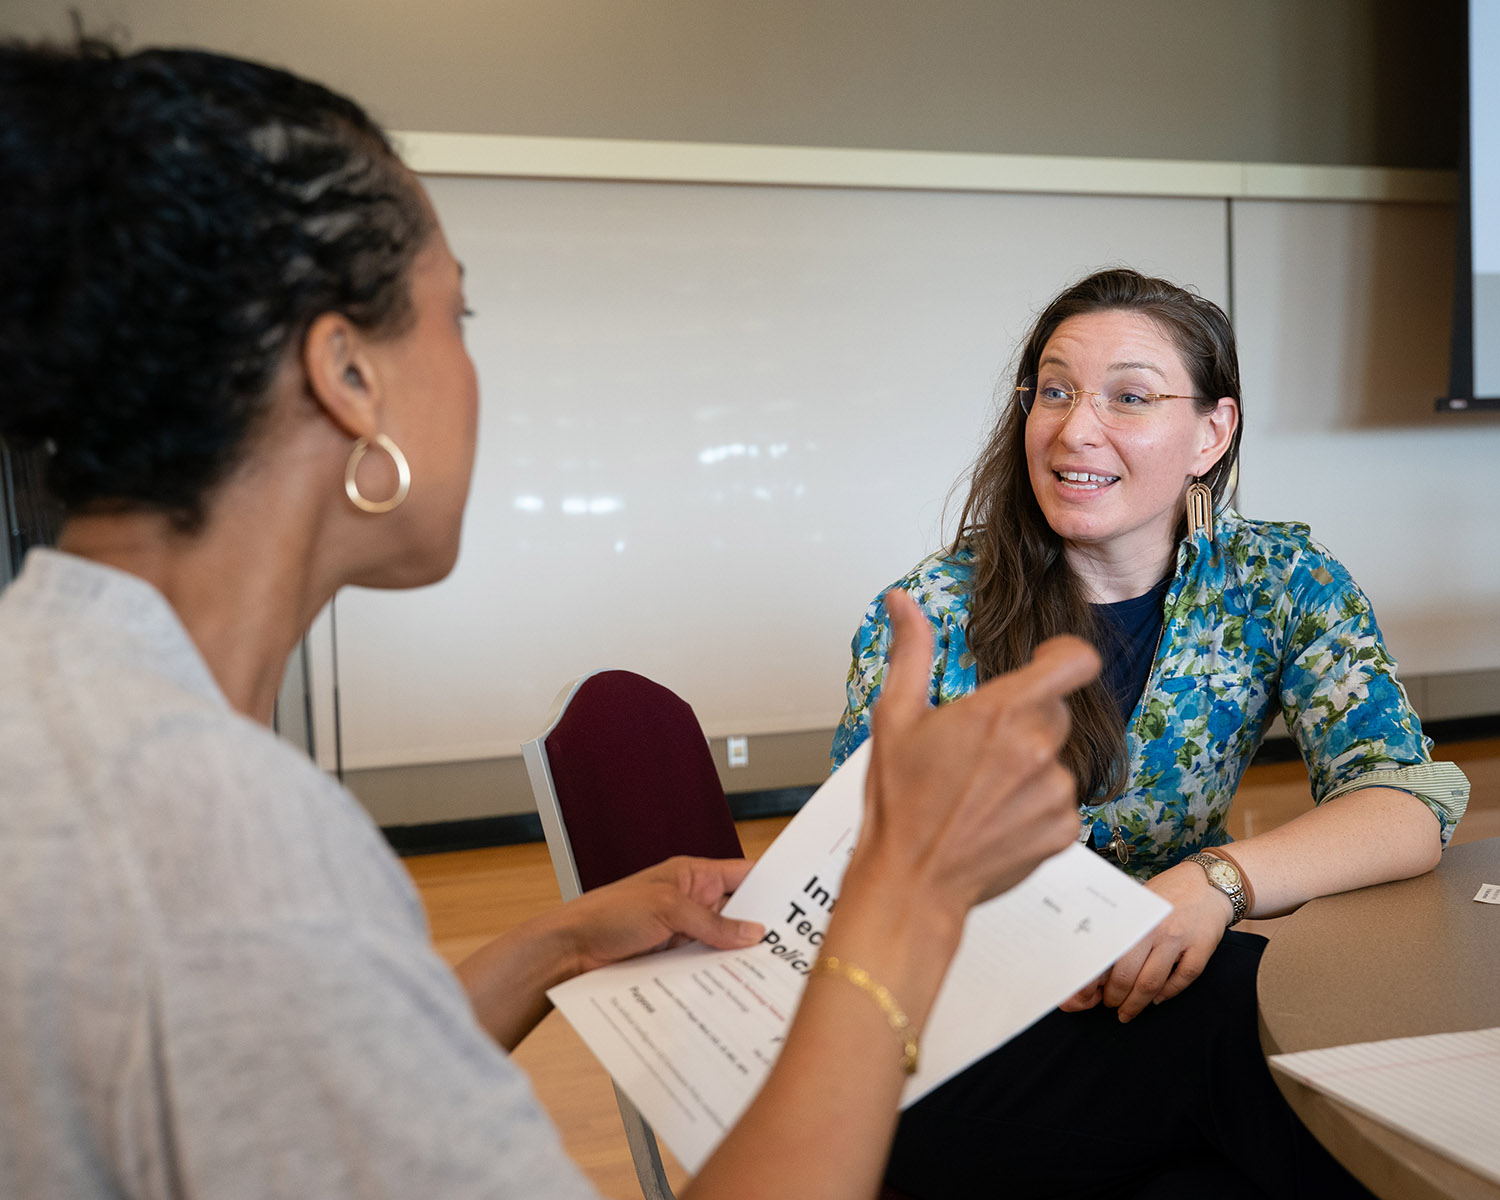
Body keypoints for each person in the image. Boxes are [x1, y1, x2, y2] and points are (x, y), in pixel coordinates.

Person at [0, 38, 1105, 1200]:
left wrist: (558, 942)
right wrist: (906, 895)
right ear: (348, 376)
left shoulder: (65, 697)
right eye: (457, 313)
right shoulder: (222, 832)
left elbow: (304, 1084)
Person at [832, 267, 1471, 1198]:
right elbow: (856, 883)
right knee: (1250, 1030)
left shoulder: (1276, 579)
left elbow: (1405, 801)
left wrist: (1214, 882)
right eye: (1055, 391)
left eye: (1129, 397)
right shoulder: (929, 615)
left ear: (1213, 432)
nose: (1074, 430)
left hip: (1158, 995)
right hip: (943, 1036)